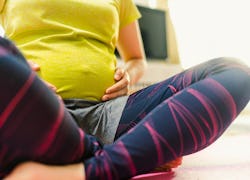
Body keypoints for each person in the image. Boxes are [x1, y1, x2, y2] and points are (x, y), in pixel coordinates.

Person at [0, 0, 249, 180]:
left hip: (108, 115)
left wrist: (128, 74)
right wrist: (20, 69)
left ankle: (97, 167)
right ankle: (142, 150)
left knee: (235, 72)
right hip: (34, 110)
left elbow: (136, 59)